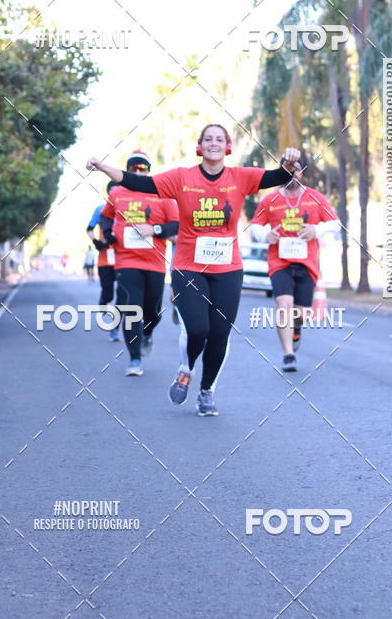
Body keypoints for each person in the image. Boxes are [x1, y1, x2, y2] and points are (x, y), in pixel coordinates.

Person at [86, 125, 300, 415]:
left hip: (227, 268)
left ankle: (206, 390)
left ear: (227, 146)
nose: (214, 143)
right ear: (200, 146)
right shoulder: (181, 177)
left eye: (219, 139)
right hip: (189, 267)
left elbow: (277, 176)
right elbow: (139, 184)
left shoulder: (240, 177)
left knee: (220, 334)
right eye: (208, 139)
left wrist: (288, 164)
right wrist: (101, 166)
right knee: (198, 329)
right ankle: (186, 368)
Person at [251, 157, 339, 372]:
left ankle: (297, 328)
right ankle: (288, 354)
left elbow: (335, 224)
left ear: (302, 172)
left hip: (307, 263)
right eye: (288, 170)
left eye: (296, 170)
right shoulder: (270, 200)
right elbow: (255, 226)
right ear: (282, 172)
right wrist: (265, 234)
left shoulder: (315, 198)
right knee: (283, 305)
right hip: (279, 262)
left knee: (302, 313)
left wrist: (315, 230)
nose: (292, 174)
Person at [99, 151, 179, 376]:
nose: (138, 171)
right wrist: (108, 233)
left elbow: (175, 226)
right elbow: (105, 216)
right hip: (126, 260)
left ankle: (148, 333)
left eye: (142, 168)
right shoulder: (117, 193)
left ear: (148, 171)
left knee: (152, 312)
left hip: (154, 262)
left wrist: (154, 229)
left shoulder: (162, 194)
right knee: (130, 308)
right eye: (133, 168)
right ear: (128, 169)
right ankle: (134, 359)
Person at [87, 182, 119, 339]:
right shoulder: (100, 209)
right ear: (108, 194)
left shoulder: (130, 209)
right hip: (105, 258)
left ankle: (115, 329)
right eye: (113, 192)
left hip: (124, 259)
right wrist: (96, 243)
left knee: (123, 295)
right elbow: (89, 228)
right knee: (108, 294)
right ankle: (103, 299)